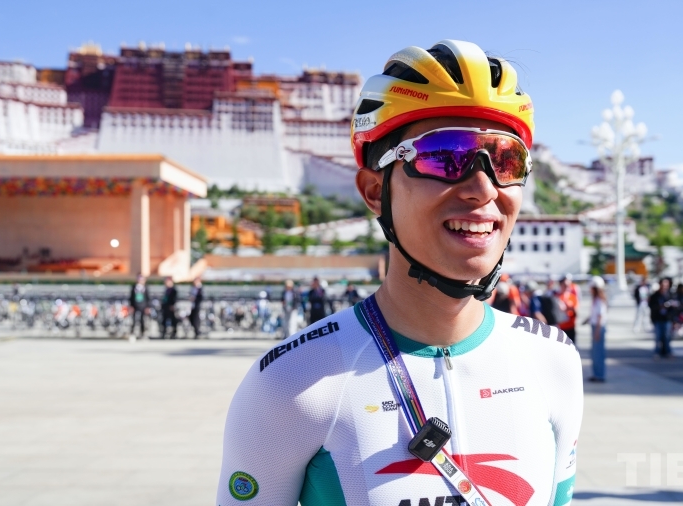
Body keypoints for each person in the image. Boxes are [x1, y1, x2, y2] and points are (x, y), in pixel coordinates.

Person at [217, 40, 582, 505]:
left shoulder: (553, 362)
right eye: (444, 155)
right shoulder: (293, 383)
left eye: (506, 160)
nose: (482, 188)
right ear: (375, 191)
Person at [585, 276, 608, 382]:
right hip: (595, 326)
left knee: (598, 352)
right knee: (595, 353)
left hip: (599, 328)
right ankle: (596, 374)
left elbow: (600, 316)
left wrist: (597, 332)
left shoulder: (600, 300)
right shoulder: (595, 299)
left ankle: (600, 375)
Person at [648, 278, 673, 357]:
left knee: (667, 336)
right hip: (658, 318)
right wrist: (660, 306)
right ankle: (657, 352)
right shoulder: (655, 295)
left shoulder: (670, 295)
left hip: (667, 318)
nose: (664, 286)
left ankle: (667, 352)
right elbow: (651, 306)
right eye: (663, 285)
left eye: (666, 285)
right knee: (658, 336)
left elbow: (674, 307)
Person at [557, 273, 579, 344]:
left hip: (570, 327)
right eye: (565, 285)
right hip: (560, 328)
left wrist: (569, 308)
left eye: (568, 285)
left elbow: (576, 311)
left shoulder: (573, 297)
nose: (567, 287)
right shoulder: (557, 297)